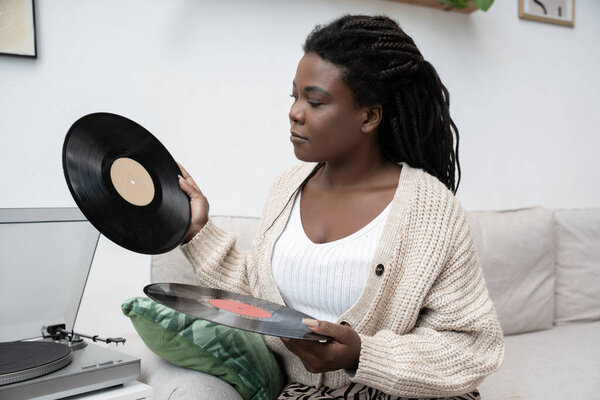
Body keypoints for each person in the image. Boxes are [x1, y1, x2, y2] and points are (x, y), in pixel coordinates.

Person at [177, 14, 504, 400]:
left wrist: (362, 354)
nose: (295, 112)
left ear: (369, 116)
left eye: (315, 101)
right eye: (294, 96)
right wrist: (198, 233)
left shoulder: (432, 209)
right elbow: (260, 299)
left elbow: (472, 346)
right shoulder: (286, 188)